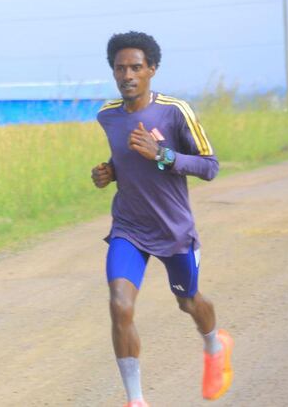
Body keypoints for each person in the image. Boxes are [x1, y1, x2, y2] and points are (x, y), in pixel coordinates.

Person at [91, 31, 234, 407]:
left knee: (189, 303)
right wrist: (108, 172)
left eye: (136, 67)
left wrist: (164, 155)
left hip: (173, 230)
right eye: (120, 68)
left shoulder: (175, 111)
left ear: (152, 69)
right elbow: (125, 161)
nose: (128, 75)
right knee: (120, 304)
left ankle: (214, 345)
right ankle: (135, 399)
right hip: (129, 228)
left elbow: (210, 166)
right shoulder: (107, 116)